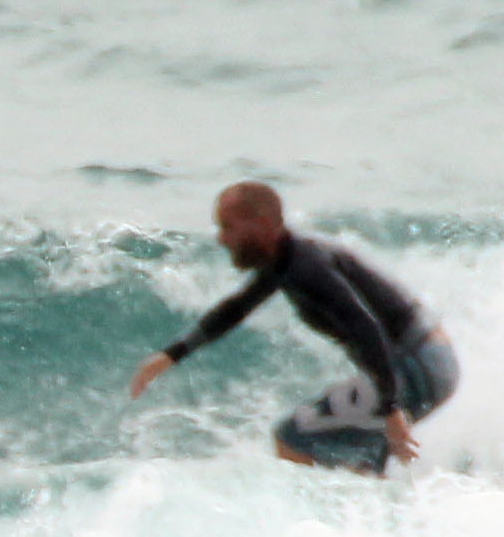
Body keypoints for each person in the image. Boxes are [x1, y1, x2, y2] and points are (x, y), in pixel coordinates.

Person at [128, 181, 459, 474]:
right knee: (355, 461)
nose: (222, 239)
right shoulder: (286, 262)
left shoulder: (306, 266)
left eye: (229, 227)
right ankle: (389, 528)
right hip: (426, 365)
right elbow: (235, 309)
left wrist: (391, 408)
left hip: (416, 366)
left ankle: (362, 530)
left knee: (293, 439)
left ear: (262, 224)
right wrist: (169, 357)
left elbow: (366, 327)